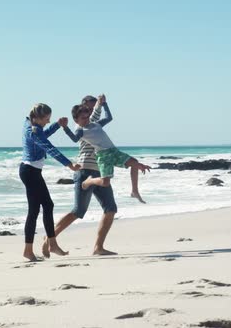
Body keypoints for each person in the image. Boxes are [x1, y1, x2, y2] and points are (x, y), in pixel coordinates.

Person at [42, 95, 119, 257]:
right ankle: (50, 238)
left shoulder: (93, 124)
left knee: (110, 208)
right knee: (78, 211)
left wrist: (103, 104)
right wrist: (99, 105)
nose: (90, 113)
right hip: (85, 171)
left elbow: (104, 116)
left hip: (100, 171)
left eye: (91, 110)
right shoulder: (83, 127)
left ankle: (98, 247)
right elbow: (95, 114)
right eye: (88, 110)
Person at [20, 103, 81, 261]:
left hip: (31, 171)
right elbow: (49, 147)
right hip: (30, 172)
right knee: (41, 208)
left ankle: (44, 246)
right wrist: (69, 164)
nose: (47, 122)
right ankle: (47, 245)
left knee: (41, 208)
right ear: (37, 117)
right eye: (46, 119)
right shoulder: (32, 130)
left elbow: (43, 135)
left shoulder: (31, 125)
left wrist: (57, 126)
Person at [62, 97, 151, 196]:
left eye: (87, 117)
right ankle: (88, 181)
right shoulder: (80, 130)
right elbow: (74, 139)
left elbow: (109, 118)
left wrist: (104, 104)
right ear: (76, 120)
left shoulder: (96, 124)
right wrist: (65, 127)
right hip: (103, 155)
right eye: (83, 118)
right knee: (105, 183)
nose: (86, 120)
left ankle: (134, 191)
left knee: (134, 162)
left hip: (114, 151)